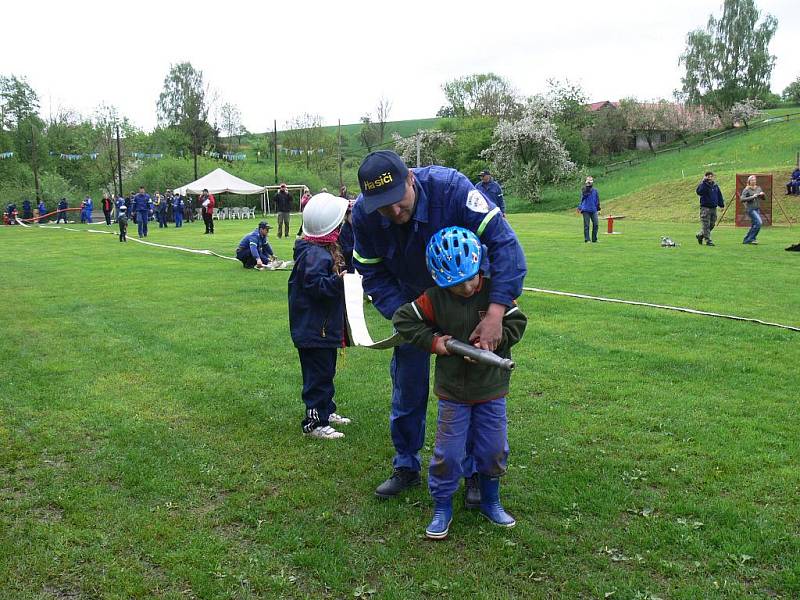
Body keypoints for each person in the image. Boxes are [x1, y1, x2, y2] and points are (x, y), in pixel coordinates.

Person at [352, 150, 527, 503]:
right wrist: (407, 319)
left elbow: (505, 245)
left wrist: (494, 312)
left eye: (398, 202)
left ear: (411, 179)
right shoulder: (364, 214)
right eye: (384, 208)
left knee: (472, 389)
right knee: (408, 385)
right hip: (413, 302)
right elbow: (370, 270)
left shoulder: (453, 189)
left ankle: (476, 474)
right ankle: (406, 465)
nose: (395, 213)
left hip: (467, 298)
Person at [393, 226, 527, 539]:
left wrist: (496, 341)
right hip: (453, 393)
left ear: (480, 265)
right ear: (440, 281)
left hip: (491, 390)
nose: (466, 288)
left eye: (471, 278)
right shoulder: (435, 298)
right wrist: (435, 343)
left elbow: (518, 322)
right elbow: (403, 319)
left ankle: (491, 500)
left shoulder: (495, 292)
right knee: (448, 454)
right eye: (455, 285)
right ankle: (442, 506)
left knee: (493, 449)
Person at [288, 193, 352, 439]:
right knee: (318, 377)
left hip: (321, 329)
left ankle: (327, 409)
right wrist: (339, 282)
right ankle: (314, 423)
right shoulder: (314, 255)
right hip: (315, 331)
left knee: (326, 372)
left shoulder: (318, 252)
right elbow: (317, 287)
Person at [695, 171, 724, 246]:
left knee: (712, 224)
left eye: (711, 176)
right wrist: (703, 182)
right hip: (705, 208)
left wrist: (721, 205)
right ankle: (708, 241)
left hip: (713, 208)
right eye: (708, 176)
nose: (710, 177)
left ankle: (700, 235)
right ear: (705, 177)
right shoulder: (703, 185)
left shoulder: (715, 186)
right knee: (706, 225)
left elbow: (719, 195)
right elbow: (699, 192)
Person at [741, 175, 765, 245]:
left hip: (757, 208)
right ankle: (750, 239)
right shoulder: (746, 189)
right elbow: (742, 199)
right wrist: (752, 197)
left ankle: (747, 239)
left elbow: (763, 198)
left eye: (754, 180)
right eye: (752, 180)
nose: (754, 181)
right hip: (750, 209)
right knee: (759, 223)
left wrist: (762, 195)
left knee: (754, 225)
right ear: (749, 181)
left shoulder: (758, 188)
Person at [577, 176, 601, 243]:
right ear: (586, 181)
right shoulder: (584, 189)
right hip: (586, 209)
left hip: (593, 209)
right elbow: (585, 195)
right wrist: (587, 186)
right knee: (586, 225)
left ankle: (594, 239)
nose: (590, 182)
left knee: (596, 224)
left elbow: (597, 200)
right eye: (588, 180)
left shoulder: (595, 191)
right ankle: (587, 239)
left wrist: (598, 209)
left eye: (591, 180)